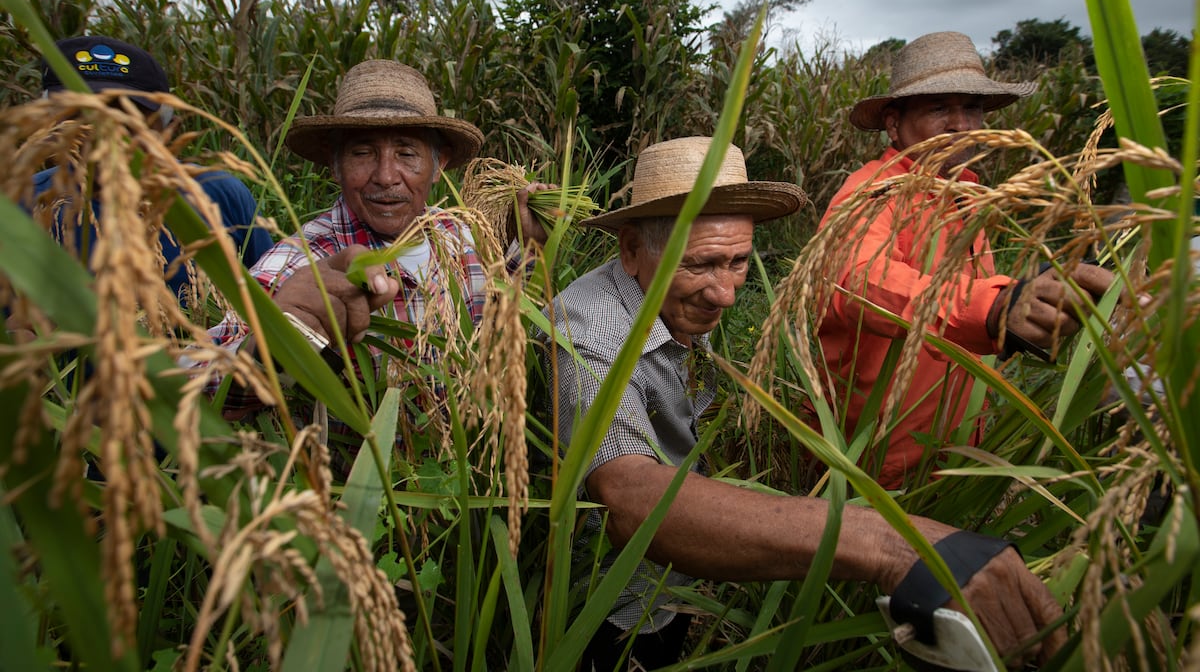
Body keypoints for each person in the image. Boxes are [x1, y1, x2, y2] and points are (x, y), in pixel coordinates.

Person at [541, 135, 1065, 670]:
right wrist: (892, 544)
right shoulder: (589, 332)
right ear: (631, 249)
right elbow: (632, 497)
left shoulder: (675, 298)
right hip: (598, 602)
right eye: (699, 265)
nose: (725, 294)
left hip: (676, 580)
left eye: (739, 262)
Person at [817, 31, 1114, 488]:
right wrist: (994, 310)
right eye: (939, 108)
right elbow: (857, 280)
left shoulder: (966, 194)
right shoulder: (874, 191)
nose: (962, 124)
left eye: (972, 107)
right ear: (894, 125)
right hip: (876, 458)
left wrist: (1033, 301)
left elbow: (971, 288)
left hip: (949, 445)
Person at [209, 59, 548, 428]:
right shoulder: (303, 261)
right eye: (362, 153)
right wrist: (269, 344)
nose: (386, 177)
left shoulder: (461, 236)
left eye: (406, 153)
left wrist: (526, 248)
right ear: (335, 165)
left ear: (438, 166)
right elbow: (189, 382)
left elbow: (496, 325)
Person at [30, 35, 274, 304]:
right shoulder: (19, 206)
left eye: (127, 121)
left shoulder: (218, 195)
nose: (101, 137)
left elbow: (270, 301)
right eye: (79, 119)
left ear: (168, 129)